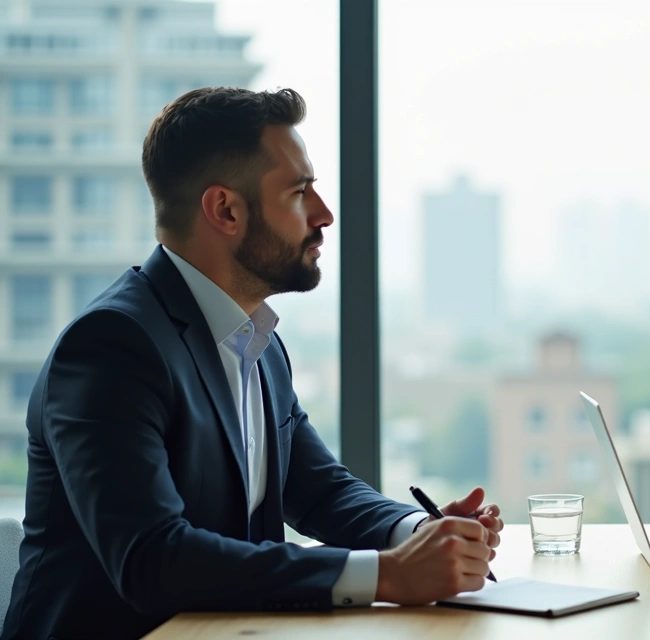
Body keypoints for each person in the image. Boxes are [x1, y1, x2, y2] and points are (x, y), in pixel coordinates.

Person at [1, 87, 504, 640]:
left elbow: (320, 490)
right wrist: (387, 575)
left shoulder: (255, 339)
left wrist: (418, 532)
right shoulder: (111, 347)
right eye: (299, 192)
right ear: (225, 210)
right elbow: (152, 558)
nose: (325, 214)